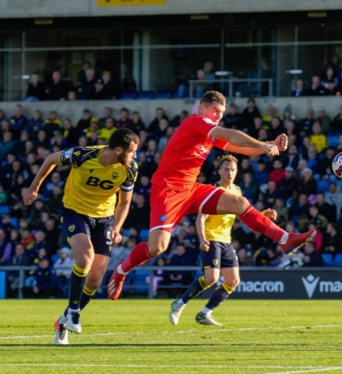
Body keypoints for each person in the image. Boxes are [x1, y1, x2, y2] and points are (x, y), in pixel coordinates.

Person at [107, 91, 316, 300]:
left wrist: (270, 145)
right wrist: (263, 145)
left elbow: (243, 149)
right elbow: (230, 135)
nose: (218, 115)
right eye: (215, 110)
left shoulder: (210, 133)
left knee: (238, 201)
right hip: (168, 190)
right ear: (202, 108)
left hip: (191, 188)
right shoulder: (195, 122)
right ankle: (121, 271)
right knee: (157, 247)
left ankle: (285, 239)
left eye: (221, 112)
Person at [22, 128, 139, 345]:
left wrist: (117, 228)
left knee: (94, 280)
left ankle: (63, 321)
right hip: (74, 213)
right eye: (132, 152)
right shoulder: (82, 155)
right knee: (85, 258)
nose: (135, 156)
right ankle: (75, 310)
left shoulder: (130, 169)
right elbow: (50, 159)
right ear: (118, 150)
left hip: (104, 220)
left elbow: (124, 203)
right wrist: (33, 188)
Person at [169, 155, 276, 326]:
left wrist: (262, 216)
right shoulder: (212, 191)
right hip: (211, 238)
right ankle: (179, 304)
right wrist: (203, 239)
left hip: (226, 241)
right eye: (226, 169)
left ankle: (205, 313)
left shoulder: (237, 192)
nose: (230, 172)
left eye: (233, 169)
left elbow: (244, 217)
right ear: (219, 171)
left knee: (233, 281)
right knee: (211, 278)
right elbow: (200, 218)